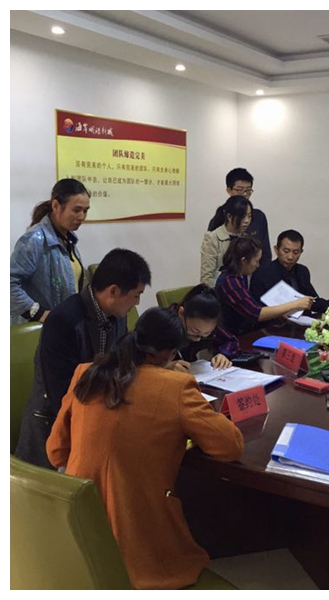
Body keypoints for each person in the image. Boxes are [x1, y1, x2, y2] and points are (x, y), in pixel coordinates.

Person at [46, 308, 244, 590]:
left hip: (78, 527)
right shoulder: (177, 387)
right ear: (169, 354)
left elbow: (55, 449)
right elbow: (230, 446)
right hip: (138, 532)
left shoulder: (86, 372)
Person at [15, 248, 151, 469]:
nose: (136, 302)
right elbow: (61, 391)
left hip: (94, 416)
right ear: (113, 291)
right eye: (136, 295)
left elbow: (122, 360)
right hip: (53, 430)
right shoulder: (64, 321)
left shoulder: (116, 314)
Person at [10, 179, 91, 324]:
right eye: (76, 210)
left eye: (85, 210)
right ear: (56, 206)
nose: (82, 217)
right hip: (40, 330)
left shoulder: (69, 239)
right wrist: (38, 313)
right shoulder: (34, 240)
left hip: (63, 325)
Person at [214, 236, 312, 335]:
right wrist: (295, 304)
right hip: (233, 335)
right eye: (256, 261)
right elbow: (256, 313)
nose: (258, 265)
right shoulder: (230, 282)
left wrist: (279, 312)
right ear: (244, 261)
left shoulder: (240, 276)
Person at [249, 229, 328, 314]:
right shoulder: (262, 273)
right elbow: (258, 310)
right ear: (276, 249)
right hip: (275, 320)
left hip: (303, 319)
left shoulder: (302, 271)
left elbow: (313, 301)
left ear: (301, 252)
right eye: (286, 251)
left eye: (295, 252)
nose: (290, 257)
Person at [166, 284, 239, 371]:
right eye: (194, 331)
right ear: (181, 313)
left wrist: (224, 354)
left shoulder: (207, 323)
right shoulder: (164, 324)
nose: (198, 339)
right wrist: (166, 365)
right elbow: (150, 360)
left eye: (207, 333)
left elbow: (230, 341)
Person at [208, 168, 271, 263]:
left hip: (256, 270)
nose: (245, 194)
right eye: (240, 190)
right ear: (229, 190)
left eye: (248, 190)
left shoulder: (259, 217)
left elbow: (265, 253)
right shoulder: (220, 217)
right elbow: (212, 257)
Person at [200, 195, 253, 287]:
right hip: (221, 292)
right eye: (242, 216)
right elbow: (207, 278)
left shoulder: (246, 238)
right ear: (229, 216)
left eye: (249, 216)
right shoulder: (213, 238)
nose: (247, 221)